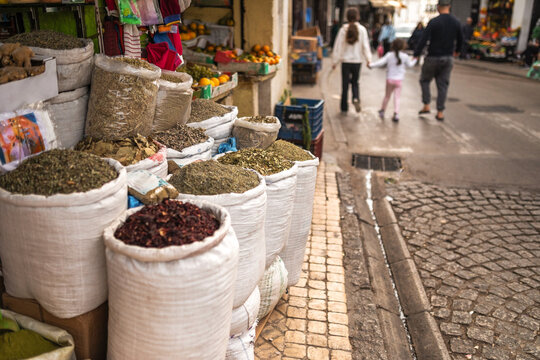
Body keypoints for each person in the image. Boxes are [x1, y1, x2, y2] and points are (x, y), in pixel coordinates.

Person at [413, 0, 462, 121]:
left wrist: (416, 54)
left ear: (438, 7)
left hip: (433, 57)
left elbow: (424, 39)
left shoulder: (434, 22)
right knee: (443, 85)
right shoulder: (456, 22)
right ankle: (440, 112)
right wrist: (457, 52)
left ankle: (426, 105)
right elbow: (461, 39)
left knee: (424, 80)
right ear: (449, 7)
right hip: (447, 58)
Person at [332, 7, 372, 113]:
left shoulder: (342, 30)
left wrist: (335, 61)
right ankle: (355, 98)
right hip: (357, 62)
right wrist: (368, 59)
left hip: (345, 61)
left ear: (347, 17)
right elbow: (365, 46)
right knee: (355, 82)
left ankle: (344, 107)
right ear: (358, 16)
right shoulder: (362, 30)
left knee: (344, 84)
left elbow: (338, 47)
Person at [369, 39, 417, 122]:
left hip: (390, 80)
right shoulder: (405, 56)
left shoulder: (389, 55)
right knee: (397, 97)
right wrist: (415, 59)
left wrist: (371, 65)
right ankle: (396, 113)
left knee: (387, 96)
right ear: (403, 46)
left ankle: (382, 111)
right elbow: (410, 65)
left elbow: (380, 62)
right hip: (399, 81)